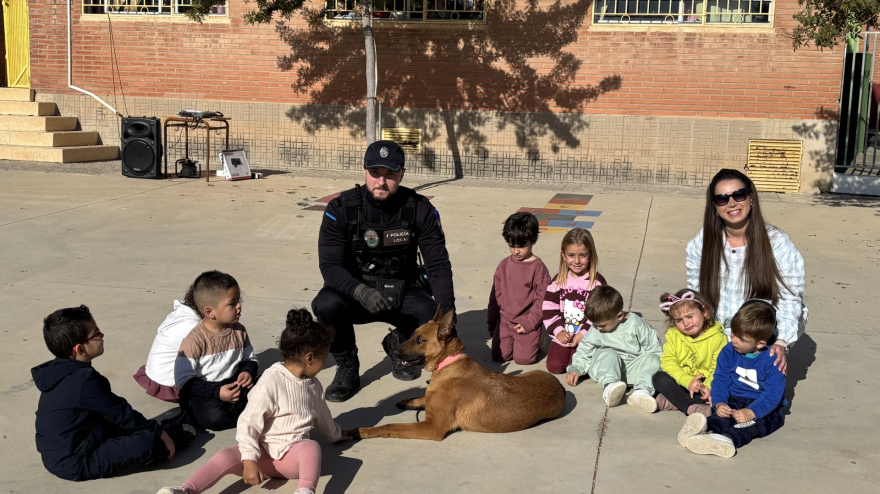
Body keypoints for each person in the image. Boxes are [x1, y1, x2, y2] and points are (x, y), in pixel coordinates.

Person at [311, 140, 455, 402]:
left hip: (403, 291)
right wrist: (360, 291)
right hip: (356, 293)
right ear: (364, 171)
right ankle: (347, 365)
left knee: (428, 311)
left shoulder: (420, 209)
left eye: (390, 174)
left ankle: (399, 345)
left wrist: (447, 318)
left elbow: (438, 267)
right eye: (375, 173)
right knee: (325, 304)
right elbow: (329, 266)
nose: (381, 181)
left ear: (402, 174)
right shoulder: (340, 209)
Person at [157, 309, 349, 494]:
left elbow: (323, 417)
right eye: (323, 358)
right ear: (309, 358)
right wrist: (249, 460)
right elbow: (248, 422)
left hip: (292, 459)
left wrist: (336, 435)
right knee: (225, 455)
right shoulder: (271, 380)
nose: (324, 363)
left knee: (310, 447)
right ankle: (186, 489)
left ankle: (305, 489)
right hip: (262, 456)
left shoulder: (314, 386)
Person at [32, 305, 195, 481]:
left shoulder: (60, 370)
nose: (102, 336)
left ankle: (161, 429)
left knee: (125, 426)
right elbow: (121, 414)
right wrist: (159, 435)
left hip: (75, 441)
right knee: (149, 445)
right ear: (80, 350)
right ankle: (167, 434)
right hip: (76, 461)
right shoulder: (84, 381)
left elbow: (114, 411)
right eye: (96, 334)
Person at [686, 168, 807, 374]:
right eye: (722, 199)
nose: (732, 203)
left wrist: (782, 342)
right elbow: (696, 297)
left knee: (753, 385)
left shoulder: (776, 242)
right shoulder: (702, 241)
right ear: (714, 206)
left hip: (761, 333)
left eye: (738, 195)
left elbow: (790, 298)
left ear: (751, 198)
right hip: (719, 333)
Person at [677, 299, 788, 458]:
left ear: (760, 344)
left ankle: (726, 439)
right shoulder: (729, 351)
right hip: (735, 398)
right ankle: (703, 428)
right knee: (721, 416)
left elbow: (773, 395)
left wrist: (752, 412)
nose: (734, 340)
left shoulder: (773, 360)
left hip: (764, 405)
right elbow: (721, 380)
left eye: (742, 339)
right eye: (733, 333)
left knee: (754, 424)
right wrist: (719, 402)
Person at [175, 270, 258, 431]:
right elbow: (184, 382)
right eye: (232, 303)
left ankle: (251, 410)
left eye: (238, 300)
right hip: (205, 394)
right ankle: (251, 413)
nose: (239, 306)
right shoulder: (194, 340)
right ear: (209, 312)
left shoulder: (239, 331)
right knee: (213, 416)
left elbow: (250, 359)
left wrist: (247, 372)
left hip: (233, 385)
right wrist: (217, 392)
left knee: (268, 387)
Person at [565, 285, 662, 411]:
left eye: (602, 325)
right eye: (595, 325)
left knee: (654, 359)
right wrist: (575, 369)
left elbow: (654, 349)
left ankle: (641, 392)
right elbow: (584, 350)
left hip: (632, 369)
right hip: (606, 369)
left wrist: (655, 366)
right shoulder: (595, 328)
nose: (598, 328)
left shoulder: (637, 325)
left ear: (619, 316)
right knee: (607, 353)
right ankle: (610, 388)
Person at [486, 211, 550, 365]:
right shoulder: (503, 265)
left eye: (521, 246)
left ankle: (538, 337)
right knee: (499, 356)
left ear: (533, 240)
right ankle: (516, 340)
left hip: (527, 321)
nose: (516, 251)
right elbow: (495, 296)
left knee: (524, 359)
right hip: (505, 322)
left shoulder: (538, 268)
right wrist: (492, 322)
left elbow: (542, 301)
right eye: (511, 245)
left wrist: (530, 324)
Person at [652, 289, 727, 416]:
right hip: (683, 382)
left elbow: (718, 369)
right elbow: (668, 362)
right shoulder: (674, 335)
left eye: (690, 316)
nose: (686, 323)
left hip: (705, 386)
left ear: (705, 312)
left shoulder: (718, 338)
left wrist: (706, 388)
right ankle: (691, 408)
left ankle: (673, 402)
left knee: (723, 391)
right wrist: (687, 381)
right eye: (679, 320)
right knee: (659, 378)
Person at [541, 228, 606, 374]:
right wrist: (559, 332)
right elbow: (549, 310)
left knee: (579, 368)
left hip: (587, 337)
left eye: (582, 255)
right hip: (563, 335)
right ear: (563, 256)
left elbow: (599, 314)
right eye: (571, 255)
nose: (576, 261)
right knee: (555, 367)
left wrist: (583, 333)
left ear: (590, 255)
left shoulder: (597, 283)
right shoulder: (558, 281)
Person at [133, 280, 203, 402]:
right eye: (230, 304)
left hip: (155, 376)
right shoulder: (193, 327)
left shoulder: (181, 313)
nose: (238, 306)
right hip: (171, 386)